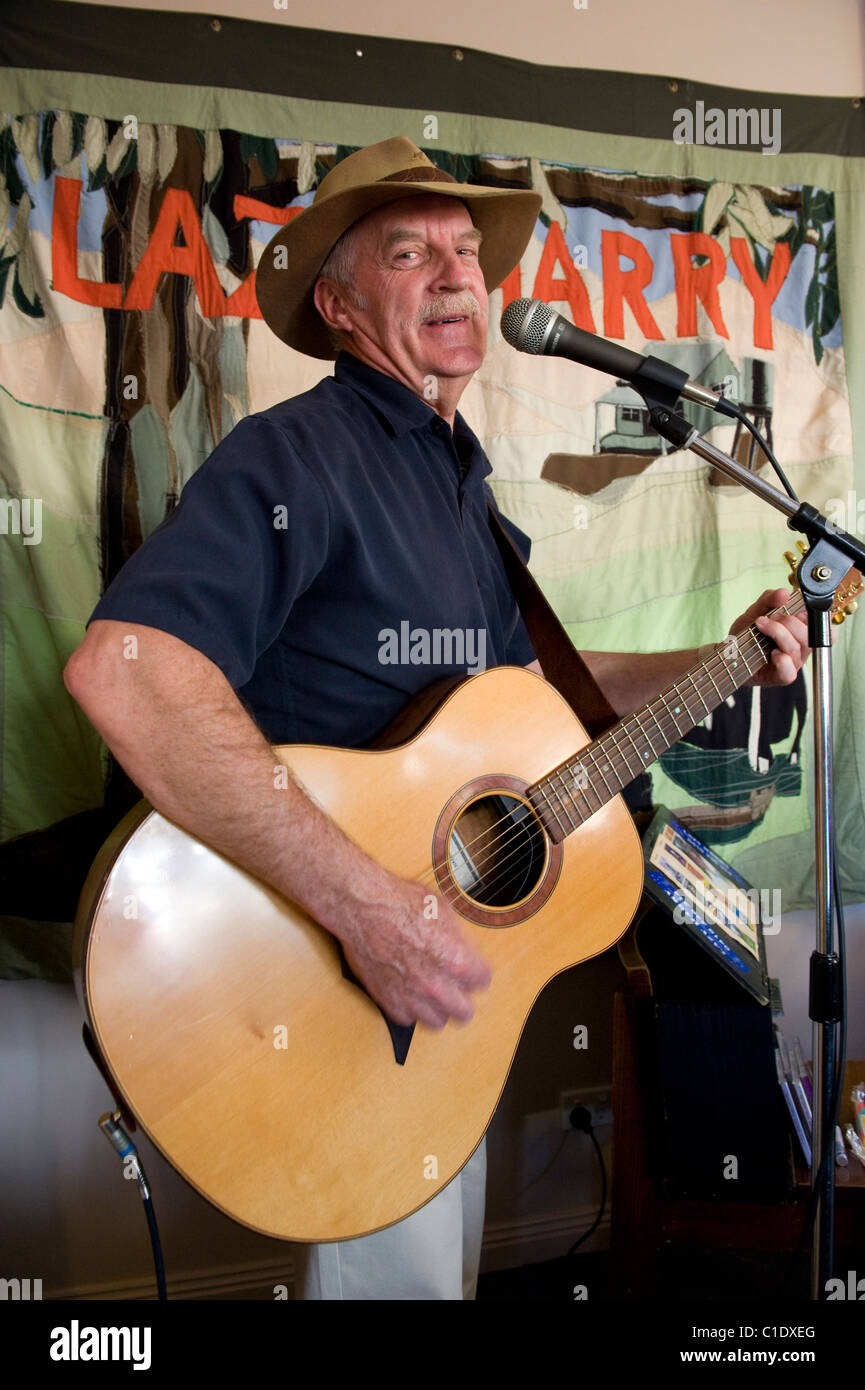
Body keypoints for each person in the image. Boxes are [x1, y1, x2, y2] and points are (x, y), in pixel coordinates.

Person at [64, 137, 811, 1300]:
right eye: (410, 252)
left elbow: (541, 698)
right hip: (333, 973)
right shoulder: (300, 457)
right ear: (340, 306)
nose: (457, 275)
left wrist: (722, 664)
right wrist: (365, 906)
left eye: (467, 250)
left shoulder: (456, 479)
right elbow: (124, 672)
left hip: (439, 988)